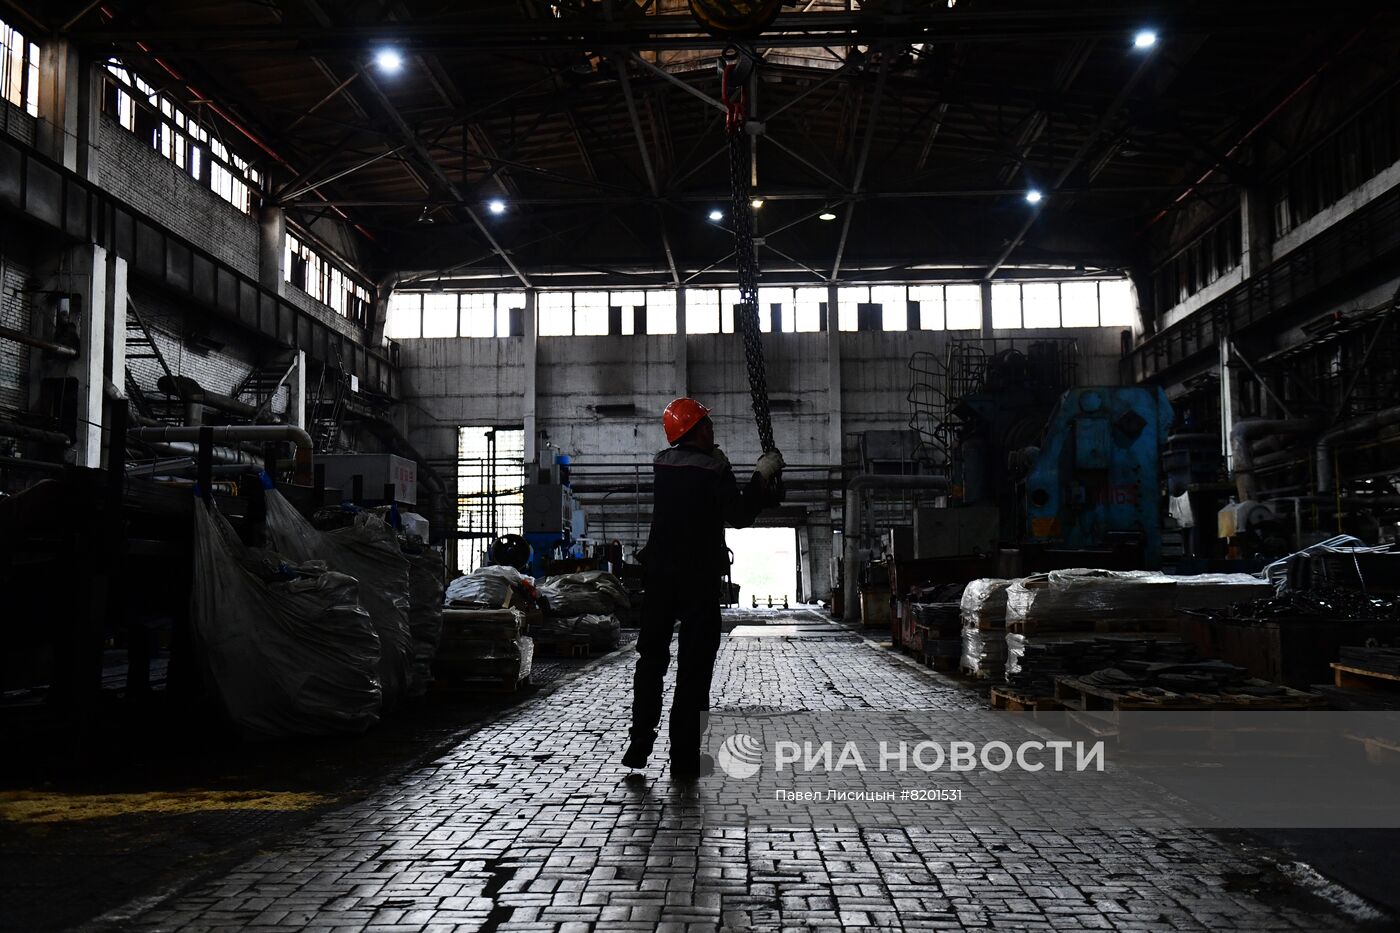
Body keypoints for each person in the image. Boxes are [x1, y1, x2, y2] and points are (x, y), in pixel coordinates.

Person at [623, 397, 784, 778]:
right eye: (706, 426)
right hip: (698, 580)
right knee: (694, 670)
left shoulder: (662, 464)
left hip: (660, 578)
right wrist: (760, 476)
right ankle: (684, 757)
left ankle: (640, 741)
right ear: (693, 432)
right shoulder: (714, 469)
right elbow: (740, 514)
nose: (713, 431)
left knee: (651, 662)